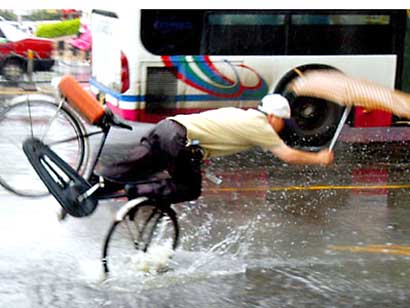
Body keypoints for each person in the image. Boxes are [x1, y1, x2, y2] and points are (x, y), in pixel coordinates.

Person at [99, 94, 334, 203]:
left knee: (132, 168)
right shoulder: (260, 125)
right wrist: (319, 158)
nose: (282, 127)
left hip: (166, 128)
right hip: (180, 139)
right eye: (283, 121)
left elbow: (213, 134)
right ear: (273, 117)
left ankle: (92, 188)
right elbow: (288, 155)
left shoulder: (243, 114)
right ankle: (133, 193)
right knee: (189, 189)